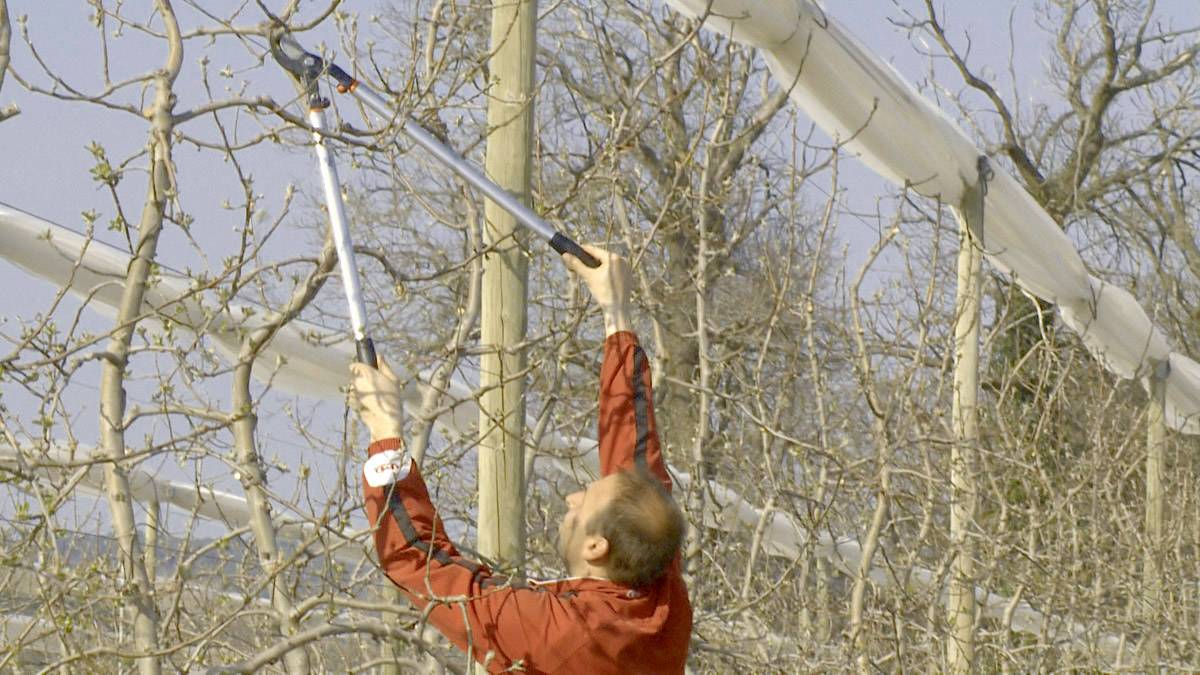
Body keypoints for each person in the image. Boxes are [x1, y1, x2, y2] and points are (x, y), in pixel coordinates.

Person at [350, 246, 692, 674]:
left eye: (583, 503)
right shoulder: (658, 593)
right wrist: (616, 314)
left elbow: (419, 562)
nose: (571, 498)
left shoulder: (560, 632)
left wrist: (385, 433)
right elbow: (637, 460)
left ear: (596, 546)